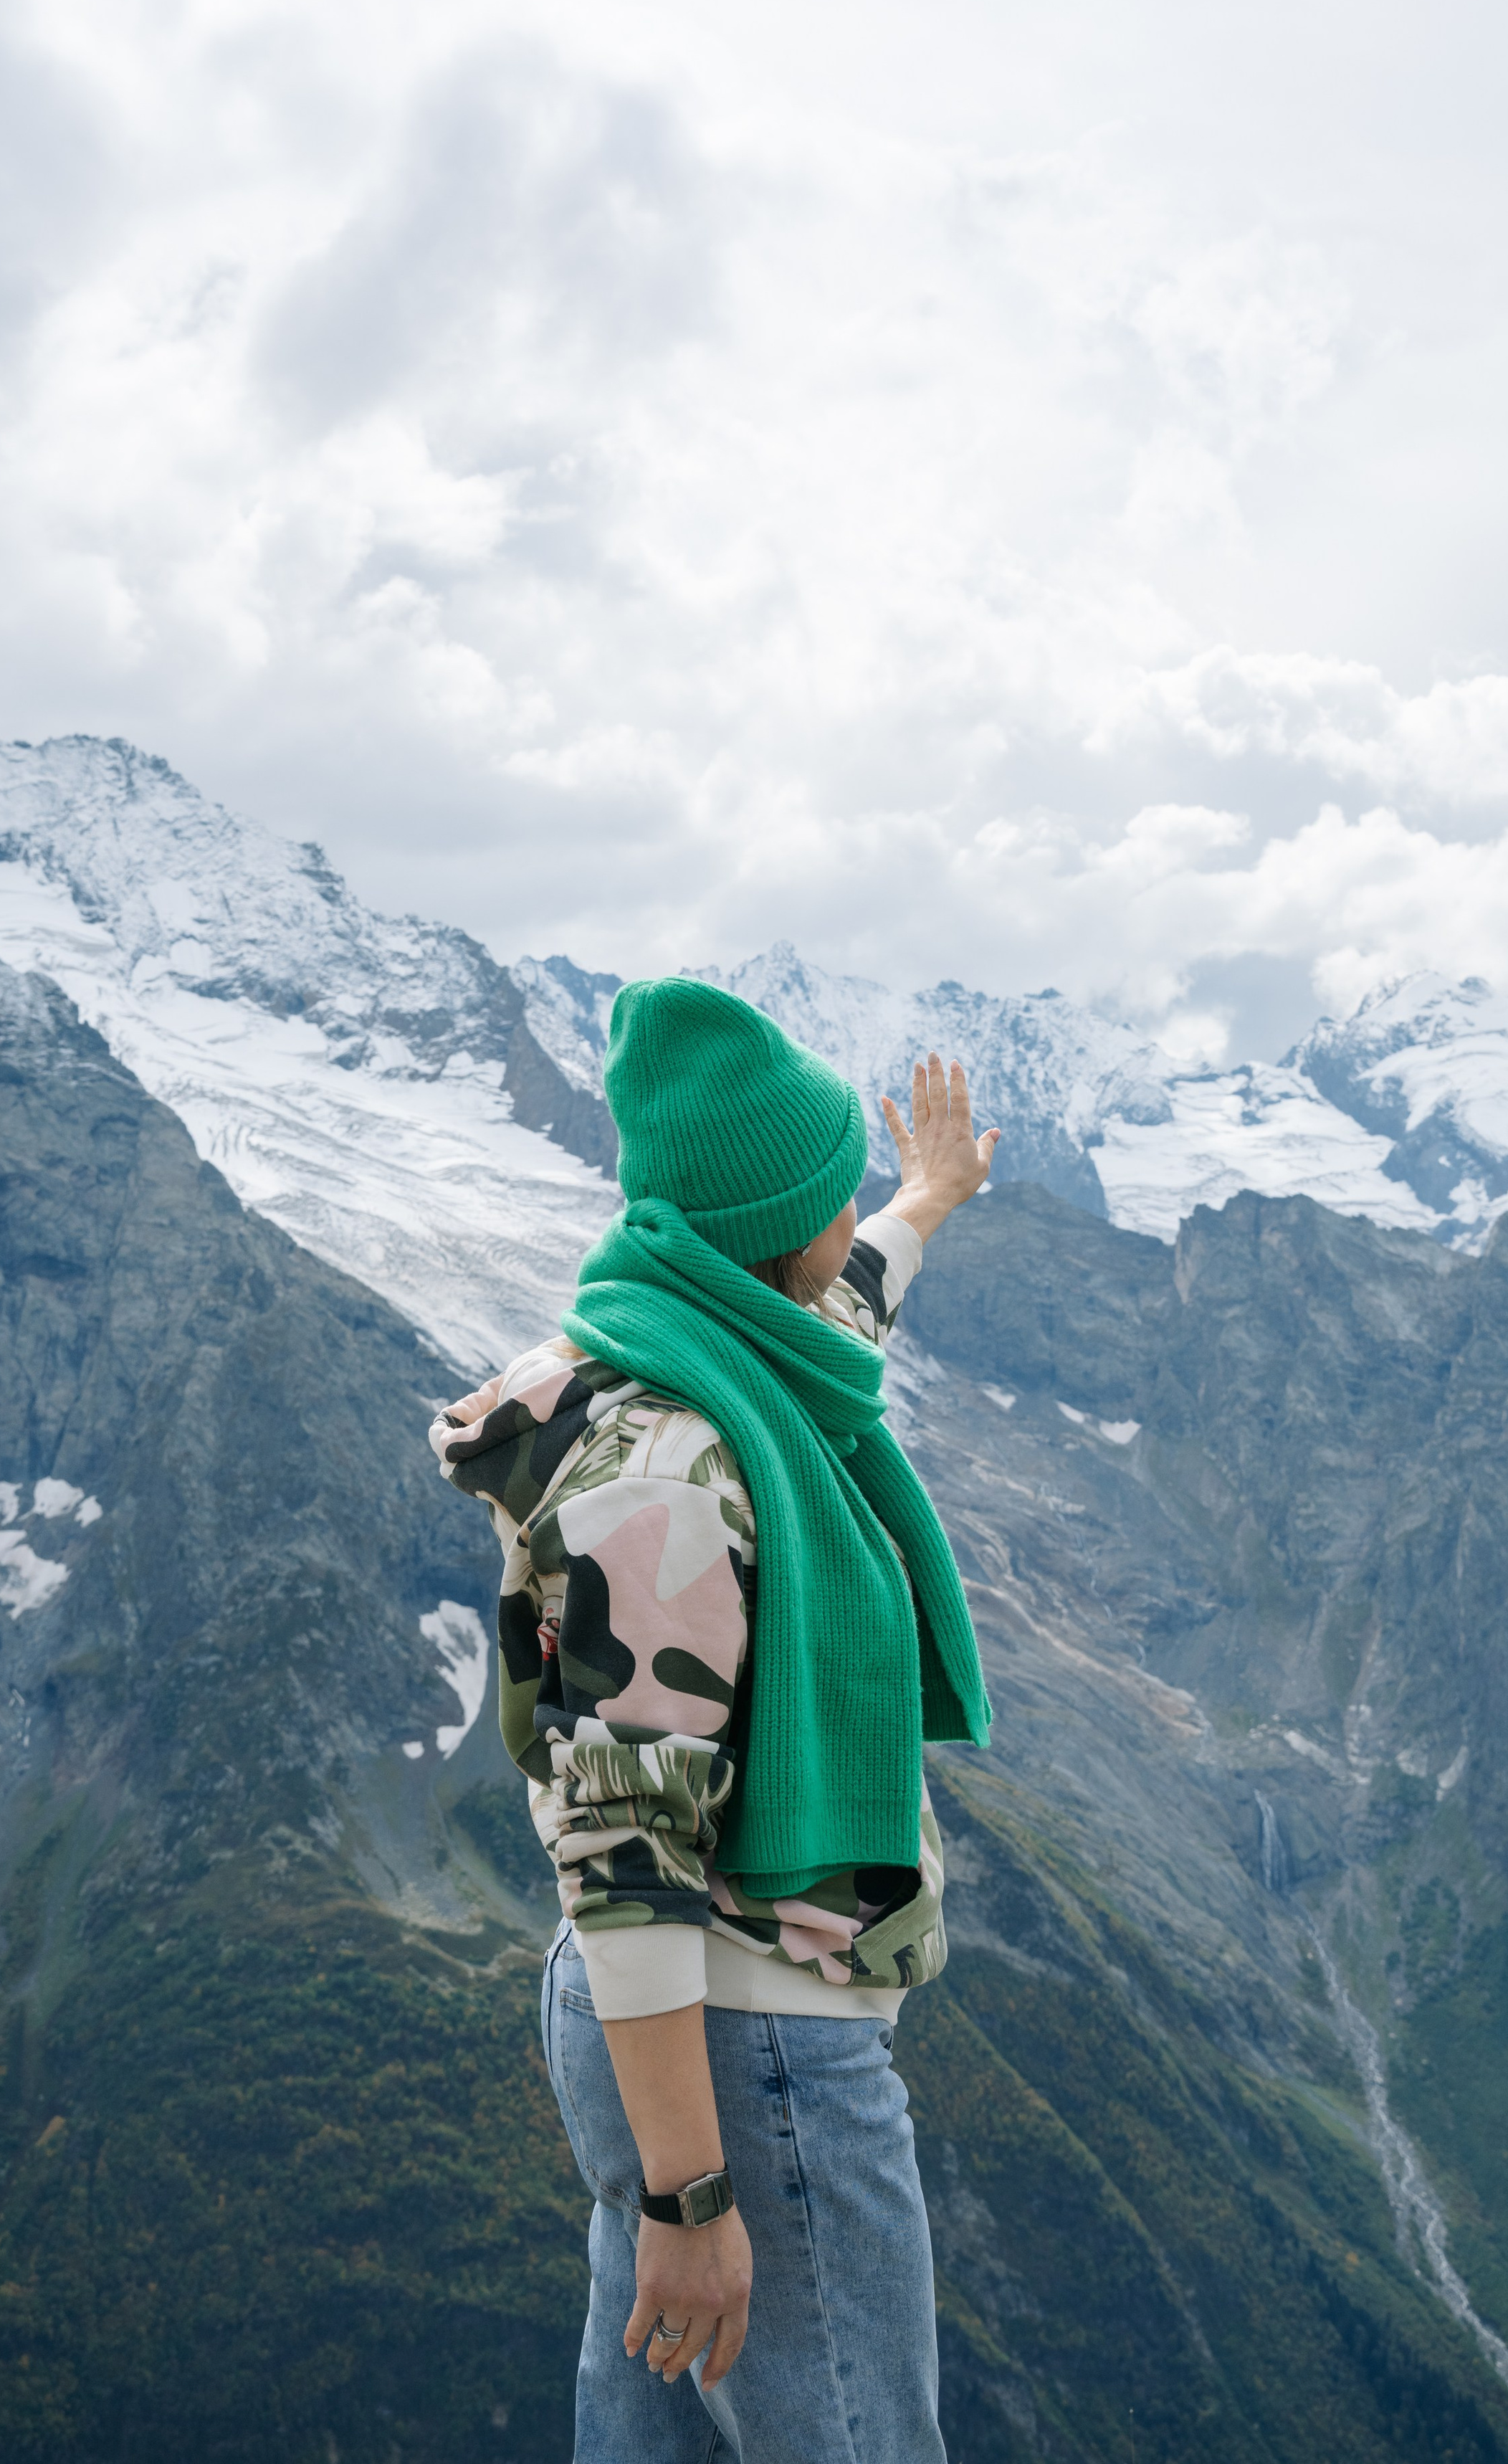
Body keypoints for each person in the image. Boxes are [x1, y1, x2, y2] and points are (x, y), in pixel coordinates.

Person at [429, 979, 998, 2463]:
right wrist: (690, 2198)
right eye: (841, 1192)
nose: (854, 1212)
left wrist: (930, 1198)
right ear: (772, 1229)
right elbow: (622, 1855)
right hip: (747, 2054)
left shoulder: (710, 1348)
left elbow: (836, 1295)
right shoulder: (664, 1483)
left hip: (695, 2044)